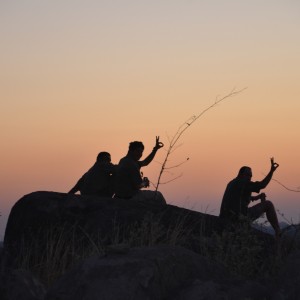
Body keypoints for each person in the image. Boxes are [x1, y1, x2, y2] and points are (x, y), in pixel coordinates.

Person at [219, 157, 281, 237]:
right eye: (247, 175)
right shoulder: (243, 183)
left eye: (250, 176)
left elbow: (240, 197)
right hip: (238, 219)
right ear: (241, 175)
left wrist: (256, 197)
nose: (249, 177)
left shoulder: (232, 183)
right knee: (268, 204)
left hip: (226, 217)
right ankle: (278, 232)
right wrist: (272, 171)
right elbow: (262, 185)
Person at [114, 136, 166, 204]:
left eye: (141, 152)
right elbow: (138, 186)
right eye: (138, 151)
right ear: (130, 151)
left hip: (121, 195)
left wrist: (155, 150)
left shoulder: (124, 160)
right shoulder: (131, 164)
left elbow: (145, 162)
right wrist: (145, 183)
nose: (140, 154)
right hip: (129, 197)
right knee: (158, 195)